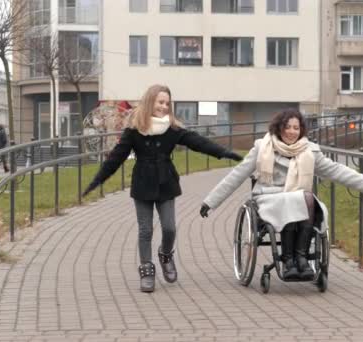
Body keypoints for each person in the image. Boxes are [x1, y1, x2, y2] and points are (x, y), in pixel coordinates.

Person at [82, 84, 243, 293]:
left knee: (169, 228)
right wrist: (97, 181)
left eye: (167, 103)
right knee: (145, 229)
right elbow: (115, 158)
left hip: (166, 183)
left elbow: (198, 142)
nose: (164, 106)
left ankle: (165, 255)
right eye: (160, 102)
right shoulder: (134, 130)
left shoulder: (173, 129)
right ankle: (146, 270)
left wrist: (225, 153)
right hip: (142, 185)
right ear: (150, 102)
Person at [199, 109, 363, 281]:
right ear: (279, 128)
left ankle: (301, 258)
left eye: (296, 128)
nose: (291, 132)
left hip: (298, 198)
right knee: (296, 199)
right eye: (287, 127)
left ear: (301, 130)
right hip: (269, 198)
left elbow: (336, 170)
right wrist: (211, 201)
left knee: (305, 198)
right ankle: (289, 261)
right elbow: (237, 174)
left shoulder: (310, 151)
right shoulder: (262, 148)